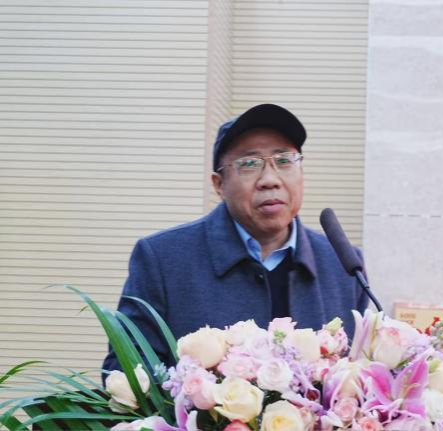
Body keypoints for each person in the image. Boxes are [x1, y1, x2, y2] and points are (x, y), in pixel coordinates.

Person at [102, 104, 368, 372]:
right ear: (219, 184)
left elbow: (362, 373)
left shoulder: (344, 266)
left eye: (284, 160)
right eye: (249, 164)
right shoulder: (162, 259)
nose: (270, 179)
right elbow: (127, 374)